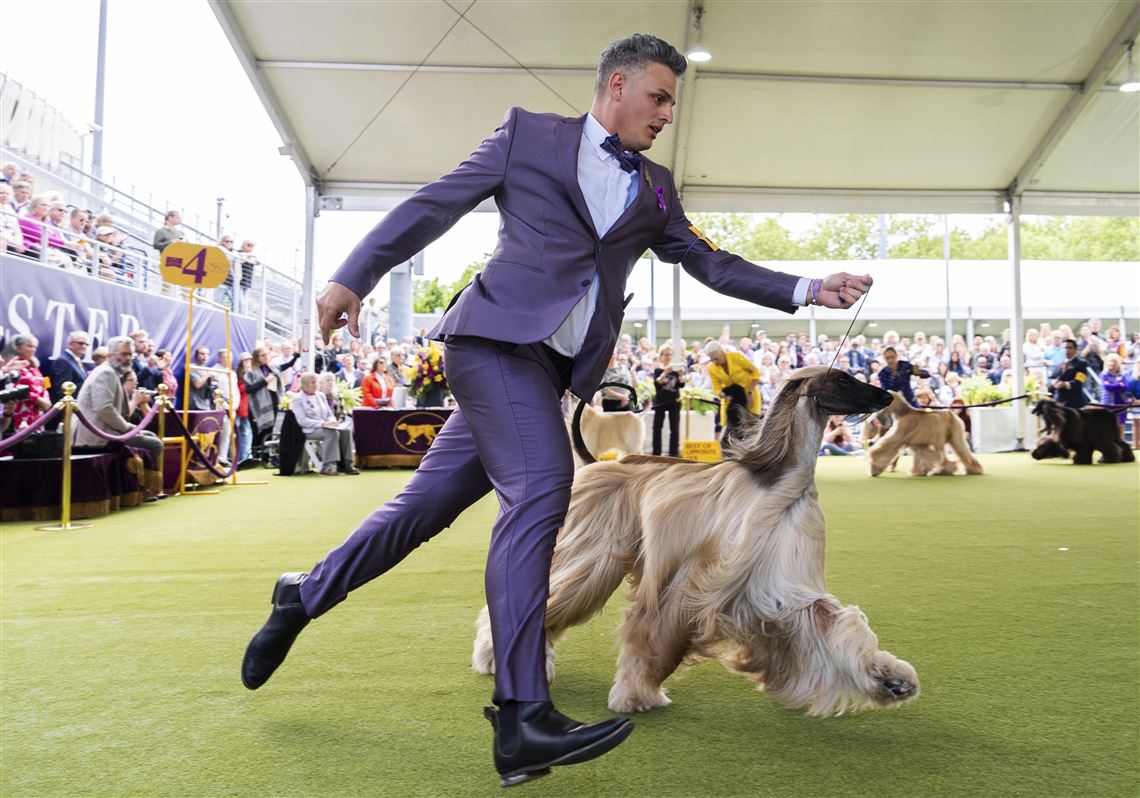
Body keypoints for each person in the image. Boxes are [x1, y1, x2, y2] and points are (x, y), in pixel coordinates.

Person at [239, 33, 872, 787]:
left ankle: (301, 594)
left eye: (672, 101)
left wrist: (808, 289)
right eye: (660, 97)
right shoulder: (526, 136)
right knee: (542, 491)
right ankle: (521, 716)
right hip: (491, 344)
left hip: (551, 373)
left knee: (422, 509)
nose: (668, 113)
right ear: (615, 86)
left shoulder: (658, 188)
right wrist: (352, 278)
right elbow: (433, 205)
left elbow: (712, 262)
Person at [72, 336, 164, 464]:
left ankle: (133, 480)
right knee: (155, 444)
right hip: (97, 436)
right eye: (124, 354)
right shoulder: (106, 373)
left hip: (104, 431)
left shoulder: (113, 372)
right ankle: (140, 482)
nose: (128, 358)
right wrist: (126, 427)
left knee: (150, 436)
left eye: (130, 354)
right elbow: (104, 409)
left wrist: (127, 428)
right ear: (110, 356)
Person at [290, 372, 358, 476]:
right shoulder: (297, 399)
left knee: (345, 431)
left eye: (316, 382)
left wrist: (332, 421)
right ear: (304, 384)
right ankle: (328, 466)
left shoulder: (320, 395)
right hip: (308, 429)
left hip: (325, 426)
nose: (315, 385)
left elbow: (328, 413)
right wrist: (323, 424)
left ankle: (347, 464)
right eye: (312, 382)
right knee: (332, 433)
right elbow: (302, 421)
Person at [705, 340, 761, 444]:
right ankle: (731, 450)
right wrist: (724, 396)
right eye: (712, 359)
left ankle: (752, 449)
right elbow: (716, 388)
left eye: (716, 358)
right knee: (733, 426)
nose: (714, 362)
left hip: (750, 394)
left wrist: (749, 392)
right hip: (732, 399)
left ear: (721, 352)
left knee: (752, 423)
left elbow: (756, 373)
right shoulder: (711, 368)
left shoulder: (736, 357)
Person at [1, 335, 51, 430]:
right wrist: (39, 400)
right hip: (19, 412)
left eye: (35, 347)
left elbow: (44, 383)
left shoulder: (34, 366)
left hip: (37, 413)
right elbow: (14, 387)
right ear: (18, 348)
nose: (33, 349)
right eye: (29, 346)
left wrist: (46, 399)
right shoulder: (12, 365)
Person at [244, 346, 282, 454]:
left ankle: (268, 455)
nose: (266, 357)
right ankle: (256, 454)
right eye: (263, 355)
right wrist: (264, 381)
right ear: (256, 357)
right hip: (259, 407)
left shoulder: (273, 368)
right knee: (259, 432)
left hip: (273, 403)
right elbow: (248, 389)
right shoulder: (251, 372)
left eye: (267, 354)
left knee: (272, 430)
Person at [651, 345, 684, 456]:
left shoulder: (676, 370)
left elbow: (682, 384)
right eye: (666, 354)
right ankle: (656, 453)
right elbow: (657, 383)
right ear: (661, 357)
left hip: (674, 402)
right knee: (657, 427)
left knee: (674, 428)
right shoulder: (658, 370)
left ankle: (673, 453)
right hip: (660, 401)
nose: (668, 357)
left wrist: (681, 375)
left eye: (670, 354)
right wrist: (665, 372)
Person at [48, 331, 90, 405]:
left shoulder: (77, 360)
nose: (84, 346)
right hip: (68, 410)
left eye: (86, 344)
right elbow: (62, 390)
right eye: (80, 343)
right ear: (70, 343)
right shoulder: (63, 361)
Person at [1050, 338, 1090, 409]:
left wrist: (1065, 384)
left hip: (1075, 403)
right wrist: (1053, 382)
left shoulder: (1081, 364)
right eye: (1065, 348)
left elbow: (1079, 382)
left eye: (1070, 348)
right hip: (1059, 402)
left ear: (1075, 349)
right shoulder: (1059, 364)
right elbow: (1051, 378)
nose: (1067, 350)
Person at [1099, 354, 1130, 429]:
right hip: (1108, 403)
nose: (1111, 364)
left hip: (1121, 402)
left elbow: (1125, 387)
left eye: (1113, 362)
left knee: (1121, 425)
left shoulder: (1123, 374)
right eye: (1109, 362)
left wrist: (1114, 385)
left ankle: (1120, 440)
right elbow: (1107, 387)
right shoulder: (1104, 374)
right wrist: (1119, 385)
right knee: (1108, 425)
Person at [234, 352, 254, 463]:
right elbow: (240, 389)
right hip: (239, 407)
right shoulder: (238, 375)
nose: (248, 363)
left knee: (245, 432)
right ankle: (236, 456)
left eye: (249, 361)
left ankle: (245, 456)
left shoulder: (251, 374)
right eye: (246, 361)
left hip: (246, 408)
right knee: (236, 433)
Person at [187, 347, 217, 411]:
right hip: (195, 404)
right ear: (196, 355)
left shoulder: (207, 369)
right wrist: (208, 375)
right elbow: (197, 385)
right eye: (202, 354)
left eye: (207, 354)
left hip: (206, 404)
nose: (205, 356)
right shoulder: (191, 367)